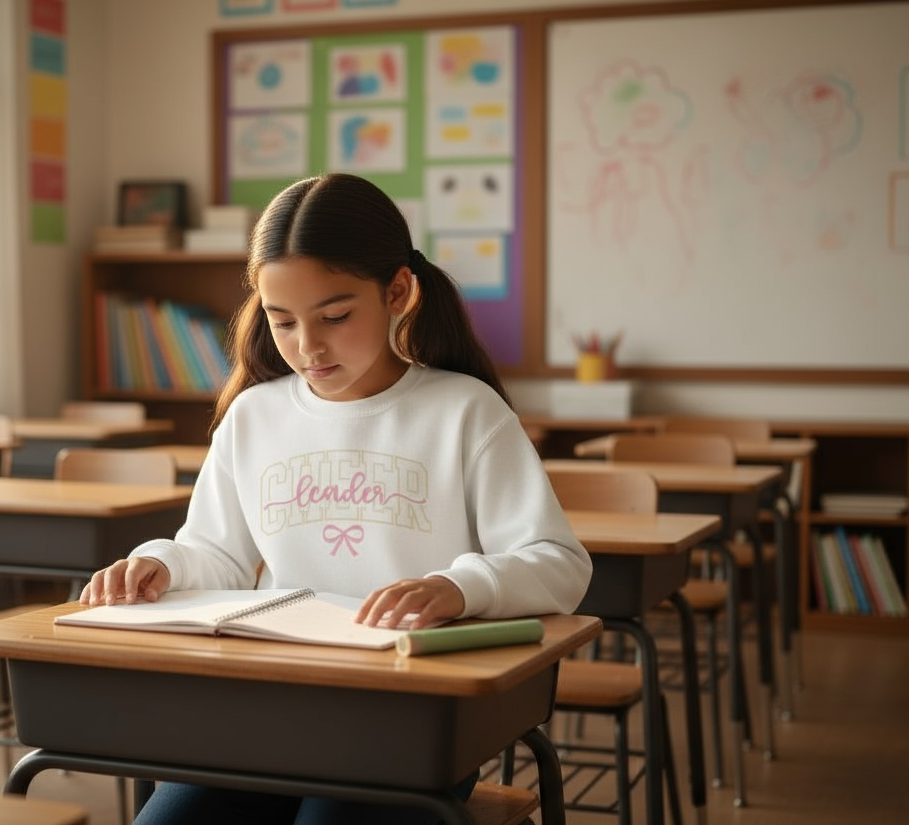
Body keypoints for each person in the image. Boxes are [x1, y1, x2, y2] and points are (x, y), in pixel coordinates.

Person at [80, 172, 592, 825]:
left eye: (335, 315)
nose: (307, 346)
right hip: (280, 705)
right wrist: (162, 565)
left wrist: (457, 588)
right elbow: (215, 552)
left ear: (398, 291)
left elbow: (560, 562)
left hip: (418, 713)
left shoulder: (463, 411)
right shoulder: (253, 417)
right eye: (282, 320)